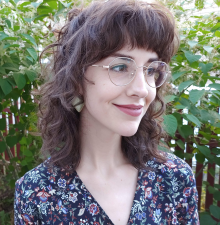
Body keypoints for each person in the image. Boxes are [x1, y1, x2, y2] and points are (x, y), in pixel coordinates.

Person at [14, 0, 199, 224]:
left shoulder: (174, 178)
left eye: (151, 70)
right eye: (121, 67)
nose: (142, 89)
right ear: (77, 78)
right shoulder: (36, 193)